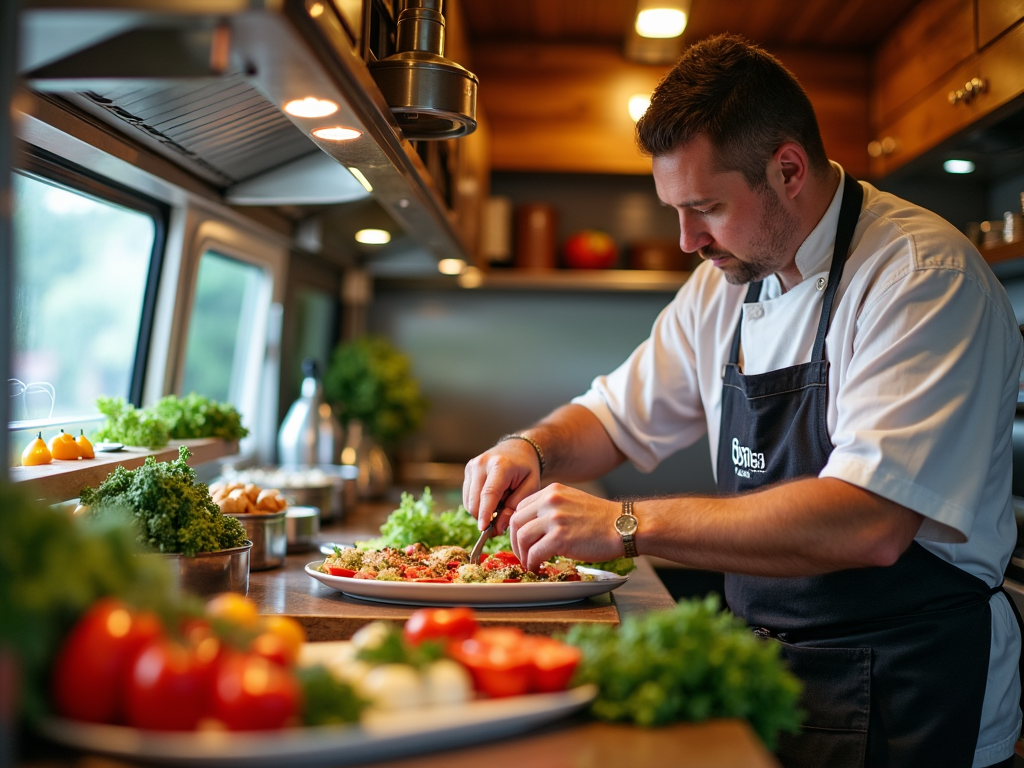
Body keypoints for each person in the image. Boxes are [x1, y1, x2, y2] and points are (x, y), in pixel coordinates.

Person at [462, 34, 1024, 768]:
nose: (688, 238)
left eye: (706, 208)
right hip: (769, 675)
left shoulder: (918, 277)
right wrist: (529, 449)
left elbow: (869, 521)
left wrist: (625, 523)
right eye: (676, 209)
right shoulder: (725, 283)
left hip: (909, 691)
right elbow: (611, 416)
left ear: (788, 169)